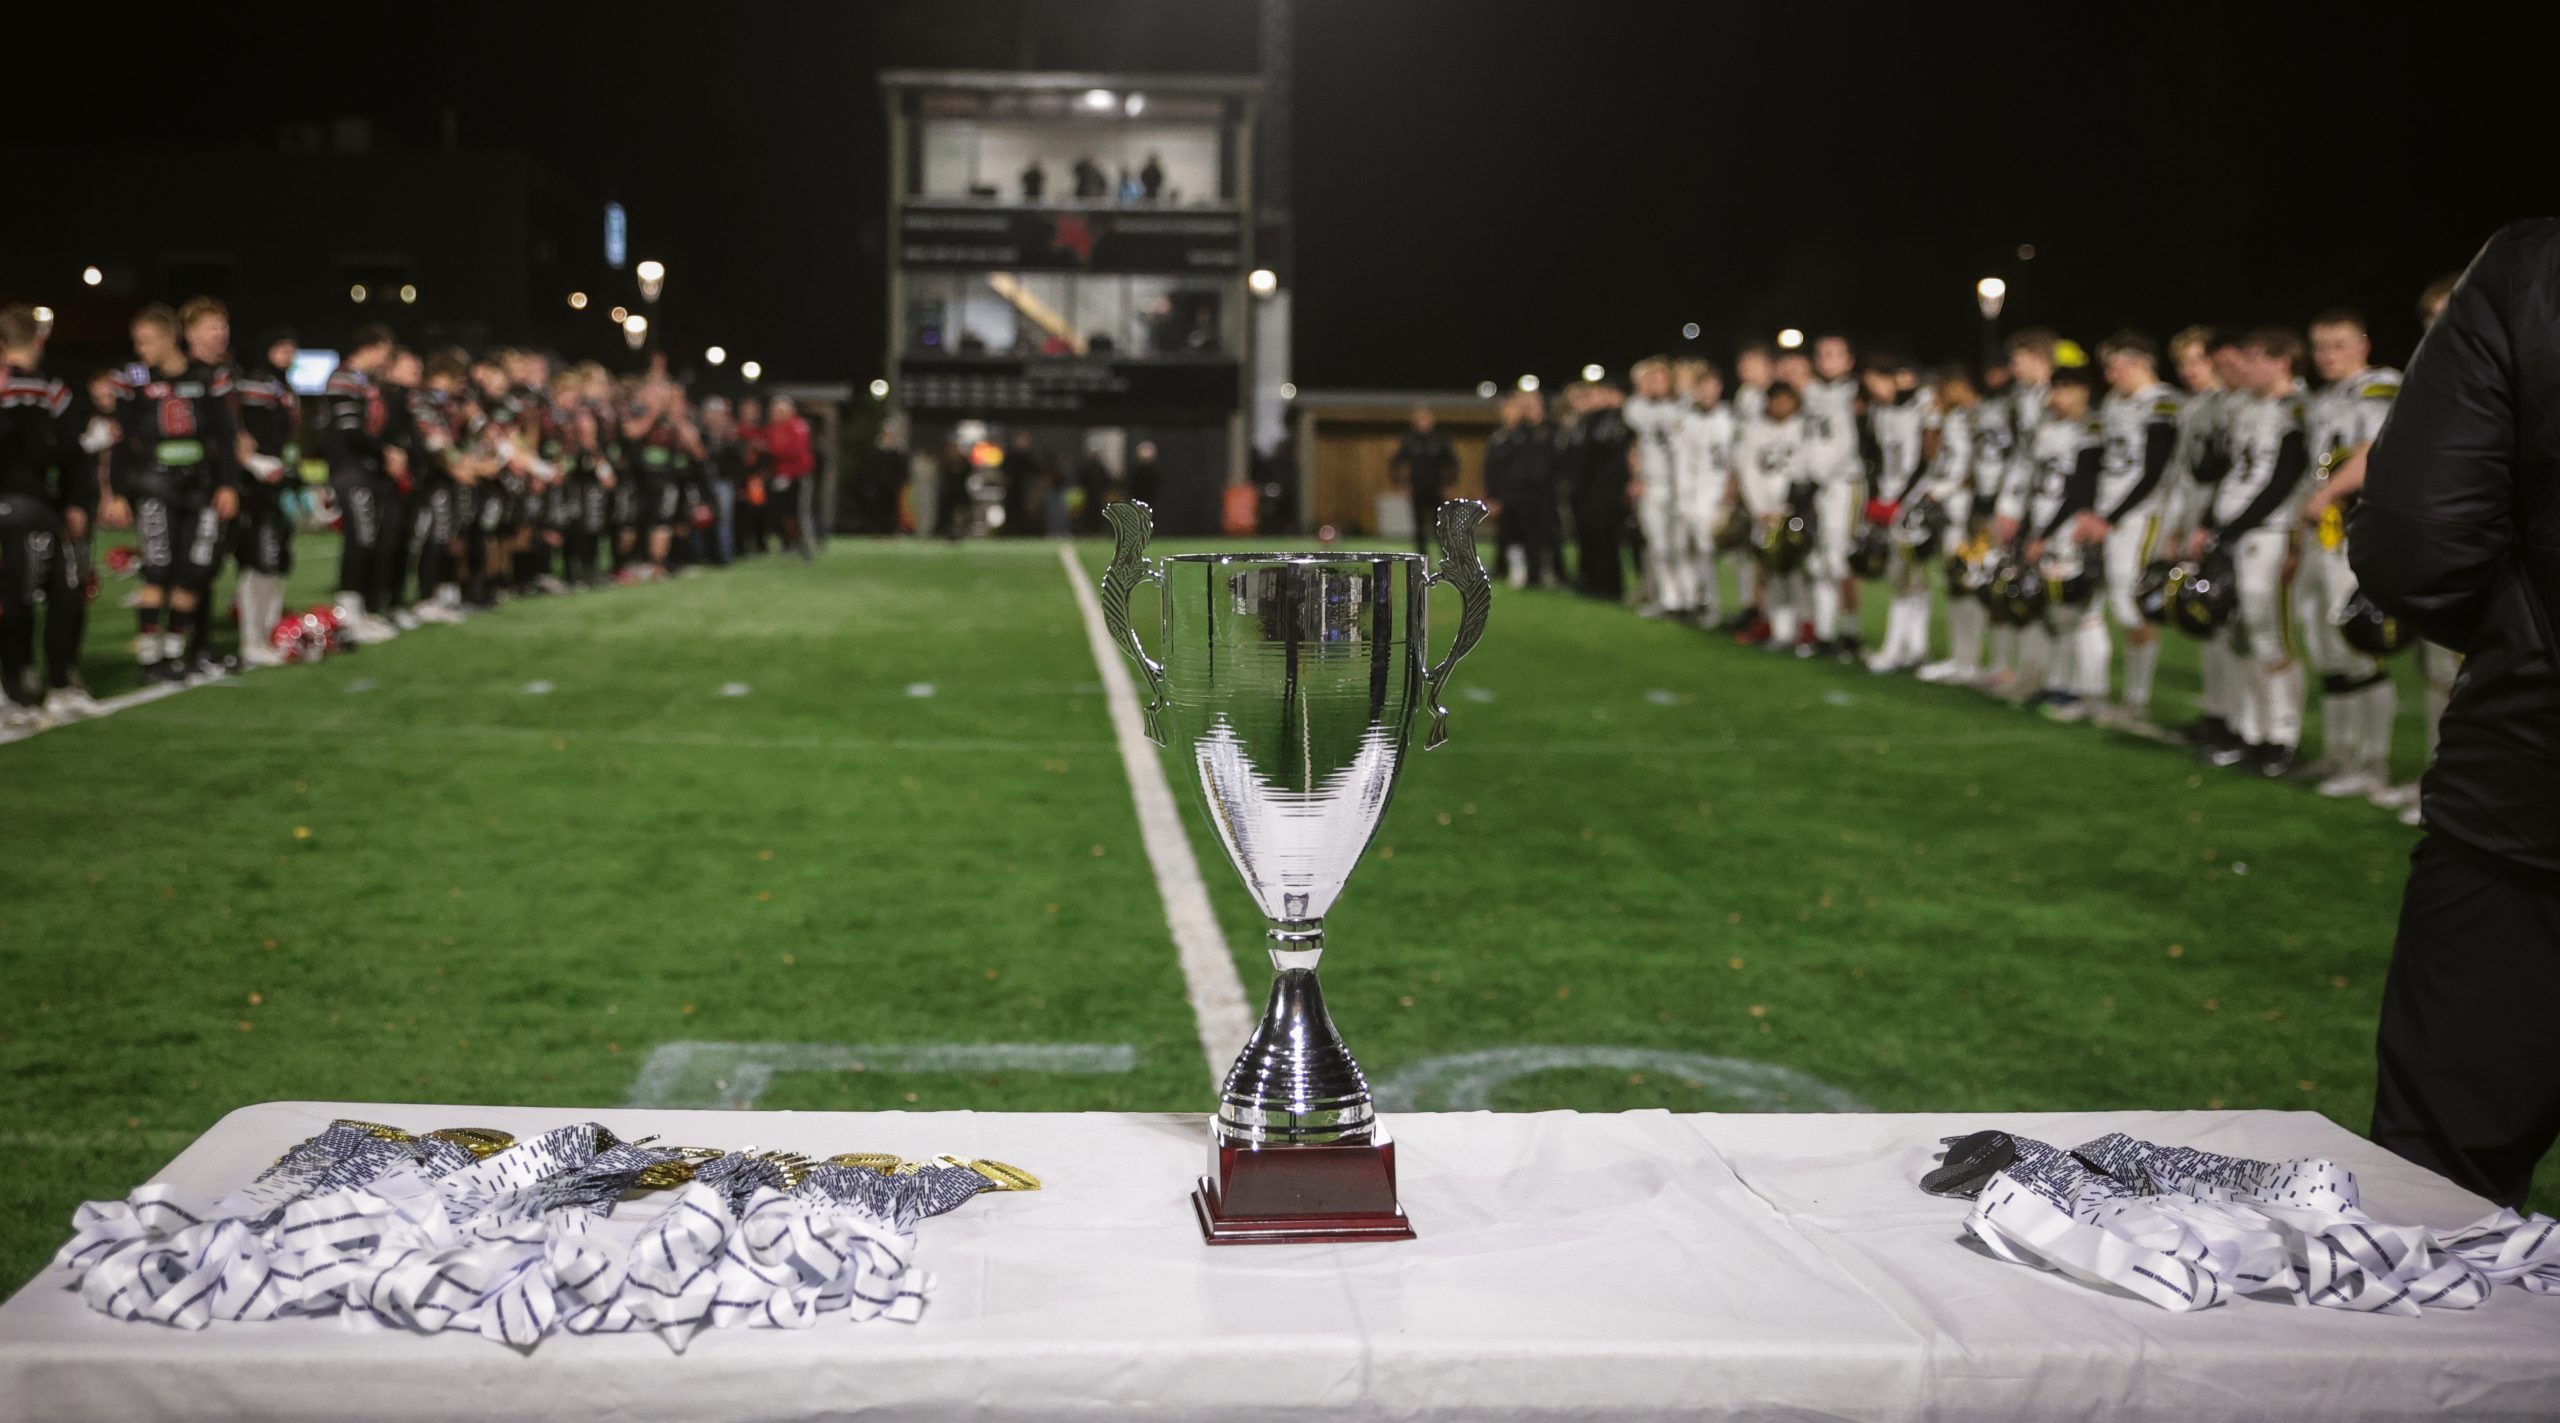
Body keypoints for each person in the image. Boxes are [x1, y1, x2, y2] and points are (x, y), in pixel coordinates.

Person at [2353, 217, 2560, 1211]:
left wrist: (2521, 639)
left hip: (2531, 787)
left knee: (2439, 1199)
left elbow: (2416, 541)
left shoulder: (2533, 267)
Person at [2188, 327, 2312, 777]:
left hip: (2271, 534)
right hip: (2238, 533)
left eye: (2256, 358)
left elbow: (2283, 480)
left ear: (2281, 361)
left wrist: (2231, 526)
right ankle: (2250, 730)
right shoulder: (2246, 407)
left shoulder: (2296, 408)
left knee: (2270, 637)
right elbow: (2222, 471)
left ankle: (2281, 736)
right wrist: (2213, 525)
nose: (2246, 368)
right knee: (2239, 636)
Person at [2293, 309, 2403, 800]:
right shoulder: (2323, 398)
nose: (2327, 355)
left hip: (2355, 533)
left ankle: (2372, 762)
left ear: (2363, 344)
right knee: (2326, 649)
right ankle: (2339, 753)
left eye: (2338, 344)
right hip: (2322, 538)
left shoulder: (2377, 385)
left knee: (2361, 647)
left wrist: (2326, 494)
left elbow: (2375, 448)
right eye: (2320, 345)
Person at [106, 305, 241, 681]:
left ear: (169, 337)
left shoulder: (207, 378)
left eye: (147, 340)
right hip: (154, 484)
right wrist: (116, 492)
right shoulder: (134, 379)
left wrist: (228, 484)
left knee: (194, 570)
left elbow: (225, 439)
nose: (140, 348)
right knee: (158, 570)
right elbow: (120, 440)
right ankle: (150, 658)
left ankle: (174, 653)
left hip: (199, 486)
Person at [2082, 330, 2182, 723]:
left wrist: (2109, 516)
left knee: (2131, 605)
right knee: (2108, 602)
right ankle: (2107, 693)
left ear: (2141, 361)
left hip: (2141, 516)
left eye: (2116, 365)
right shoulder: (2114, 402)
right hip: (2110, 514)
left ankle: (2137, 702)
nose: (2110, 376)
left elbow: (2154, 472)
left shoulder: (2163, 403)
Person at [0, 306, 92, 727]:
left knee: (60, 593)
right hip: (26, 506)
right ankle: (18, 688)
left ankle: (51, 684)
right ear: (39, 338)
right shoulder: (42, 389)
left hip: (40, 507)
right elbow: (64, 450)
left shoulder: (46, 387)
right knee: (25, 599)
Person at [2016, 365, 2105, 717]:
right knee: (2054, 612)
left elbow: (2079, 490)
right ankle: (2057, 683)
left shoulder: (2092, 428)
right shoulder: (2047, 429)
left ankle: (2090, 692)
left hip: (2073, 529)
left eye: (2067, 389)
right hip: (2048, 524)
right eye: (2055, 389)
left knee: (2081, 612)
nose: (2058, 397)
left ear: (2084, 391)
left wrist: (2045, 533)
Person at [321, 323, 400, 643]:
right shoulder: (343, 378)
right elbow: (349, 429)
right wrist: (385, 451)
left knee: (372, 537)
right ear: (375, 346)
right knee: (361, 535)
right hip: (349, 469)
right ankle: (348, 612)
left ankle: (363, 610)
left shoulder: (365, 381)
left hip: (367, 470)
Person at [230, 327, 301, 662]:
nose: (288, 353)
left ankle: (270, 632)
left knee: (276, 562)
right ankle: (251, 638)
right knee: (259, 561)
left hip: (277, 482)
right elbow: (246, 431)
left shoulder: (283, 384)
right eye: (281, 346)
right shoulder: (257, 381)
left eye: (291, 347)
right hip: (255, 485)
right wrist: (256, 463)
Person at [1860, 355, 1932, 672]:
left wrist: (1902, 501)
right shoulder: (1879, 411)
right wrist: (1879, 496)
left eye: (1877, 380)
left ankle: (1906, 648)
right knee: (1901, 576)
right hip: (1892, 498)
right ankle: (1908, 647)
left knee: (1912, 575)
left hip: (1915, 500)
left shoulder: (1921, 406)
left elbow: (1926, 458)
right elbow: (1875, 455)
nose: (1873, 388)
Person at [1914, 372, 1983, 683]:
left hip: (1969, 512)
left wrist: (1947, 489)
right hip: (1949, 511)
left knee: (1969, 584)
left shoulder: (1978, 417)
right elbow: (1931, 455)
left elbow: (1980, 468)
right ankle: (1959, 658)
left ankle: (1970, 662)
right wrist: (1931, 420)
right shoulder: (1950, 417)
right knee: (1955, 585)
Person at [1734, 381, 1810, 648]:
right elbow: (1748, 471)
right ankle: (1779, 628)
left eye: (1786, 400)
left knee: (1801, 569)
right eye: (1776, 400)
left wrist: (1797, 506)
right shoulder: (1754, 430)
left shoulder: (1805, 427)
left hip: (1798, 510)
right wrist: (1760, 509)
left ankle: (1806, 627)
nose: (1781, 406)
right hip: (1766, 511)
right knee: (1771, 568)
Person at [1672, 365, 1739, 625]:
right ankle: (1711, 606)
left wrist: (1733, 493)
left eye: (1712, 386)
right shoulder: (1687, 421)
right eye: (1703, 387)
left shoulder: (1730, 416)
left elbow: (1739, 459)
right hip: (1700, 496)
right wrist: (1684, 499)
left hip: (1727, 494)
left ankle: (1746, 608)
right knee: (1703, 551)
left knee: (1736, 555)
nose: (1708, 392)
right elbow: (1683, 464)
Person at [1564, 382, 1634, 600]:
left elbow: (1614, 455)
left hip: (1607, 489)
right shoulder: (1586, 421)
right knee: (1588, 536)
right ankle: (1590, 579)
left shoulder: (1618, 420)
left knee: (1606, 537)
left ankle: (1610, 584)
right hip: (1585, 489)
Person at [1388, 407, 1456, 556]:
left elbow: (1452, 463)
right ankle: (1421, 557)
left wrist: (1449, 485)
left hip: (1436, 489)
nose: (1424, 422)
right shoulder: (1409, 440)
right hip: (1417, 489)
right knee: (1418, 527)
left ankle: (1445, 557)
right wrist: (1399, 484)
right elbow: (1395, 462)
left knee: (1439, 524)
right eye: (1421, 419)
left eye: (1426, 418)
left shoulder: (1439, 439)